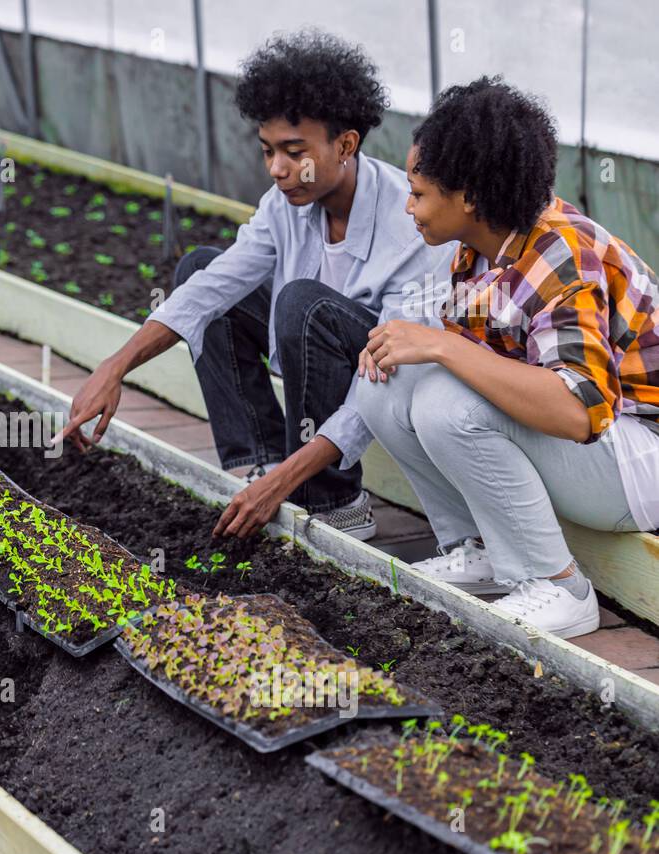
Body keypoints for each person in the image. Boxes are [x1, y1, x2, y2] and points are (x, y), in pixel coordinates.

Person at [54, 29, 454, 540]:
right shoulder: (284, 204)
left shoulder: (411, 224)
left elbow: (384, 377)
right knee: (199, 267)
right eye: (267, 151)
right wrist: (115, 368)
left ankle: (335, 501)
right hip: (320, 350)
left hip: (386, 374)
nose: (277, 169)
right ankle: (258, 465)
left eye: (293, 151)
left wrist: (294, 476)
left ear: (346, 144)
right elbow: (215, 286)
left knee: (303, 303)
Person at [356, 77, 659, 638]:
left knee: (447, 399)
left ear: (469, 197)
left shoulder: (560, 254)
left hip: (642, 457)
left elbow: (580, 411)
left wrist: (443, 347)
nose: (408, 206)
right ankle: (479, 548)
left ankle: (560, 587)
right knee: (387, 378)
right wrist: (431, 349)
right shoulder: (479, 251)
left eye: (419, 193)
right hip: (603, 451)